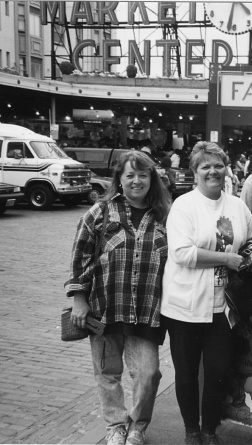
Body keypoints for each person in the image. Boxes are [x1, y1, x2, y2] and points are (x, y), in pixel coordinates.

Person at [160, 141, 252, 445]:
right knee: (188, 373)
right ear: (195, 172)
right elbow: (181, 253)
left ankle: (210, 430)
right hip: (185, 305)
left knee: (219, 371)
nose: (213, 171)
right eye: (205, 166)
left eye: (218, 165)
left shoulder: (236, 205)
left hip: (224, 307)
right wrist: (225, 259)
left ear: (226, 169)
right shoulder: (184, 205)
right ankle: (192, 431)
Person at [65, 151, 171, 445]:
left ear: (152, 179)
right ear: (119, 179)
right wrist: (79, 299)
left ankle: (137, 425)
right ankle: (116, 425)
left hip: (148, 310)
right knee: (107, 372)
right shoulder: (100, 213)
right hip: (104, 308)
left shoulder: (166, 216)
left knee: (148, 374)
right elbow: (80, 257)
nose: (137, 181)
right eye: (130, 175)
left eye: (143, 175)